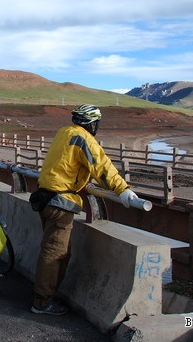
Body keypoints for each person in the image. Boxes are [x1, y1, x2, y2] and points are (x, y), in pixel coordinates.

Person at [30, 104, 140, 316]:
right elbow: (101, 166)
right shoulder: (83, 138)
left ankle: (46, 295)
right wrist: (122, 189)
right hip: (60, 202)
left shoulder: (64, 132)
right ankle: (42, 302)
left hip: (45, 198)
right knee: (54, 253)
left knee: (57, 252)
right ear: (92, 123)